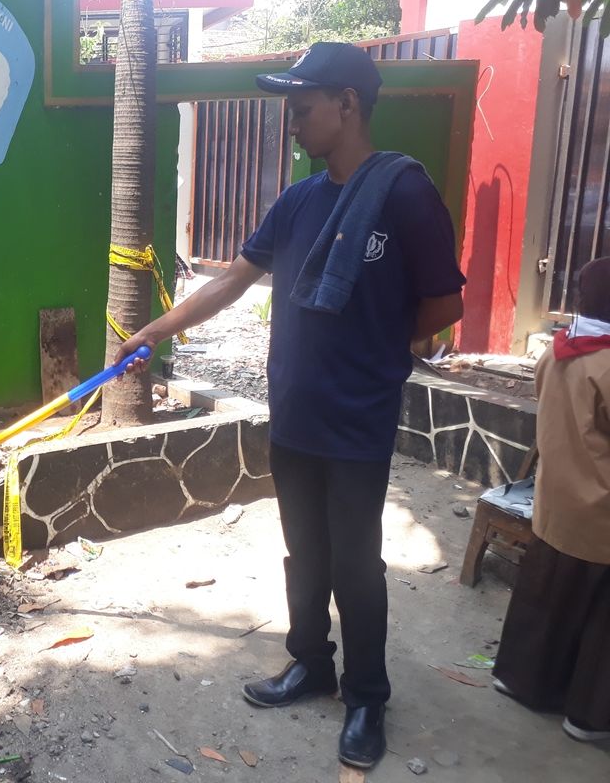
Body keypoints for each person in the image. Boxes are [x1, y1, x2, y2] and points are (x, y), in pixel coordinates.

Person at [115, 42, 466, 769]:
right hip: (296, 411)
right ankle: (312, 661)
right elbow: (231, 283)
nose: (293, 124)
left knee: (356, 563)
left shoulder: (403, 193)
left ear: (347, 104)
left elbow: (444, 301)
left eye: (303, 110)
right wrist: (153, 329)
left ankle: (367, 695)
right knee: (304, 551)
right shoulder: (300, 200)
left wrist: (375, 345)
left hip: (358, 417)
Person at [491, 256, 610, 743]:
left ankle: (520, 679)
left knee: (547, 600)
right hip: (601, 515)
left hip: (554, 504)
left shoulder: (557, 352)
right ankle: (587, 715)